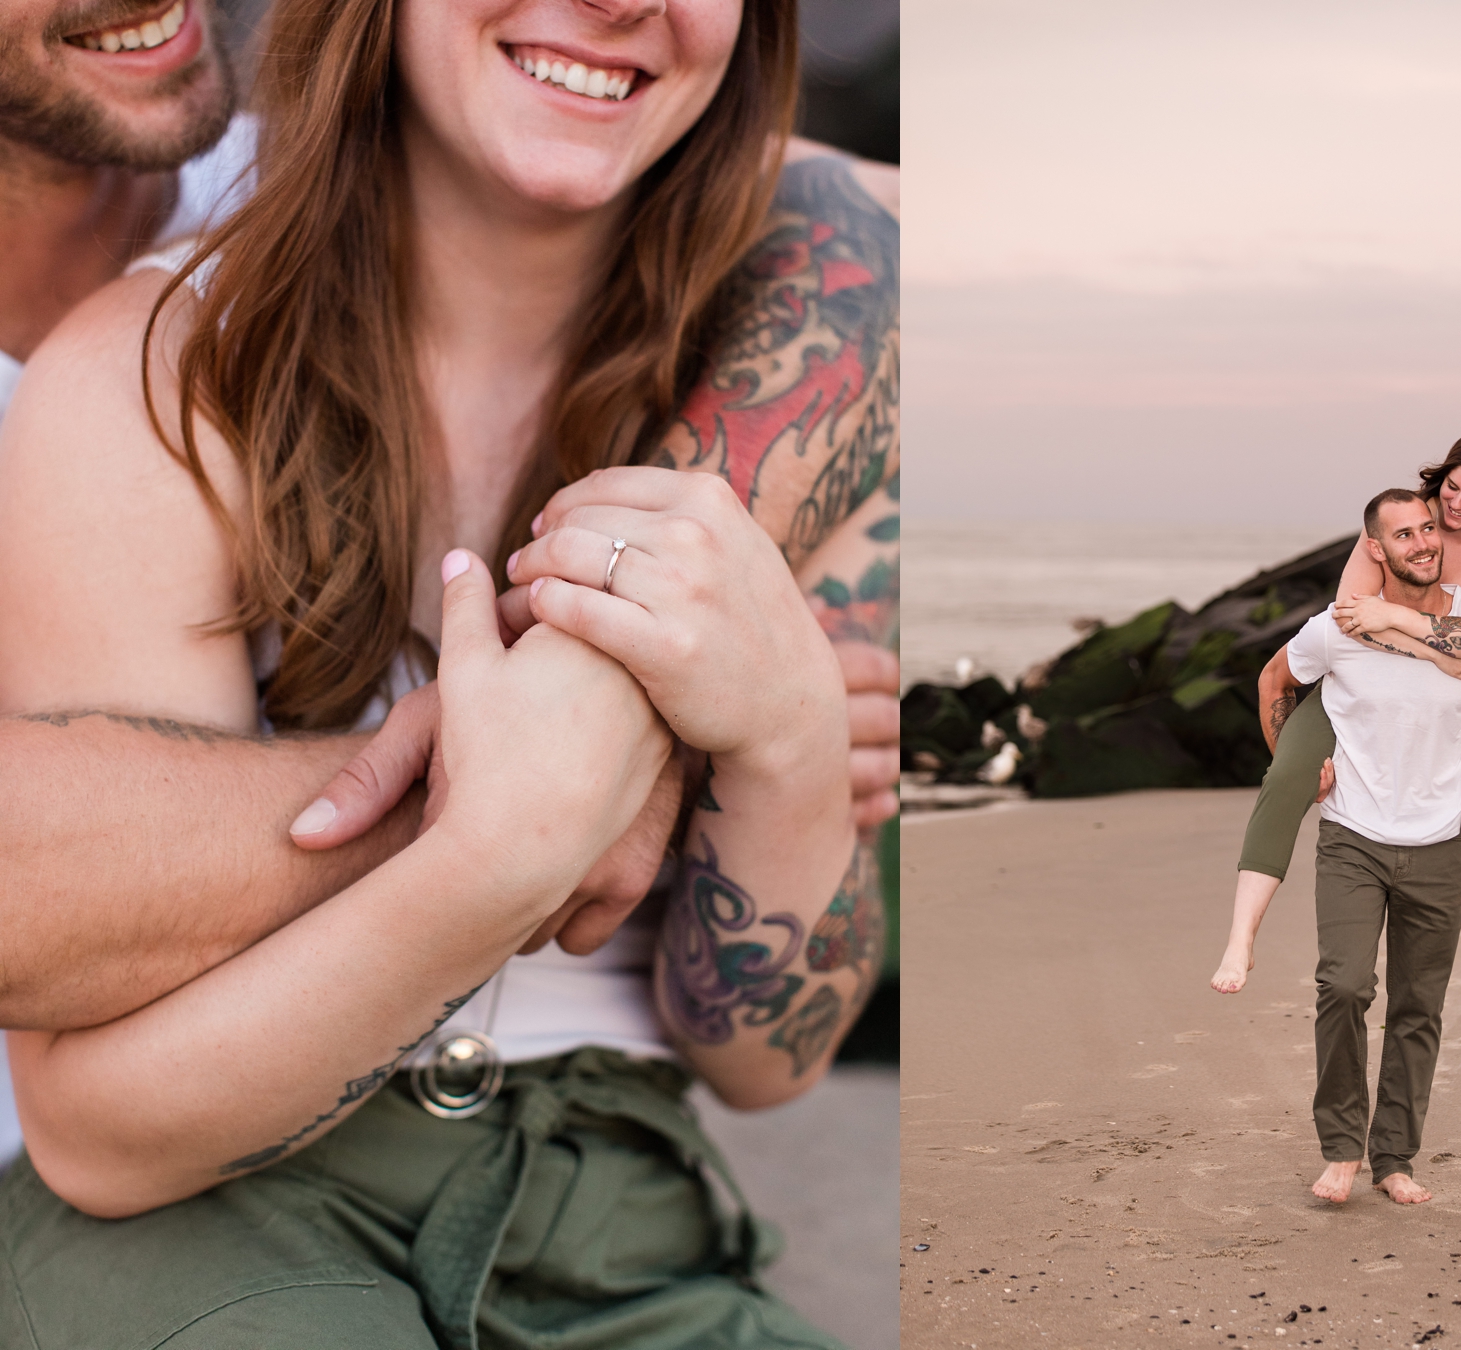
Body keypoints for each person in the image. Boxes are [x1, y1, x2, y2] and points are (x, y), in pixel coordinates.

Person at [0, 1, 895, 1345]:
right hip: (223, 1218)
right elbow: (98, 1140)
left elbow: (769, 1059)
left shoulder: (800, 368)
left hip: (630, 1215)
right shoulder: (153, 377)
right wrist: (506, 838)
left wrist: (785, 740)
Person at [1212, 490, 1461, 1206]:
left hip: (1441, 845)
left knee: (1419, 1007)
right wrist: (1300, 767)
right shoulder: (1339, 628)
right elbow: (1274, 679)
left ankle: (1395, 1158)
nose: (1421, 542)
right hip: (1353, 838)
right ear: (1375, 550)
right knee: (1345, 987)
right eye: (1402, 534)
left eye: (1428, 529)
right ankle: (1340, 1147)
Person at [1223, 429, 1461, 1014]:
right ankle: (1241, 940)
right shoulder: (1409, 519)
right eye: (1452, 487)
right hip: (1369, 683)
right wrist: (1440, 652)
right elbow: (1352, 623)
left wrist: (1420, 632)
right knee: (1287, 776)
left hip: (1456, 691)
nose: (1455, 506)